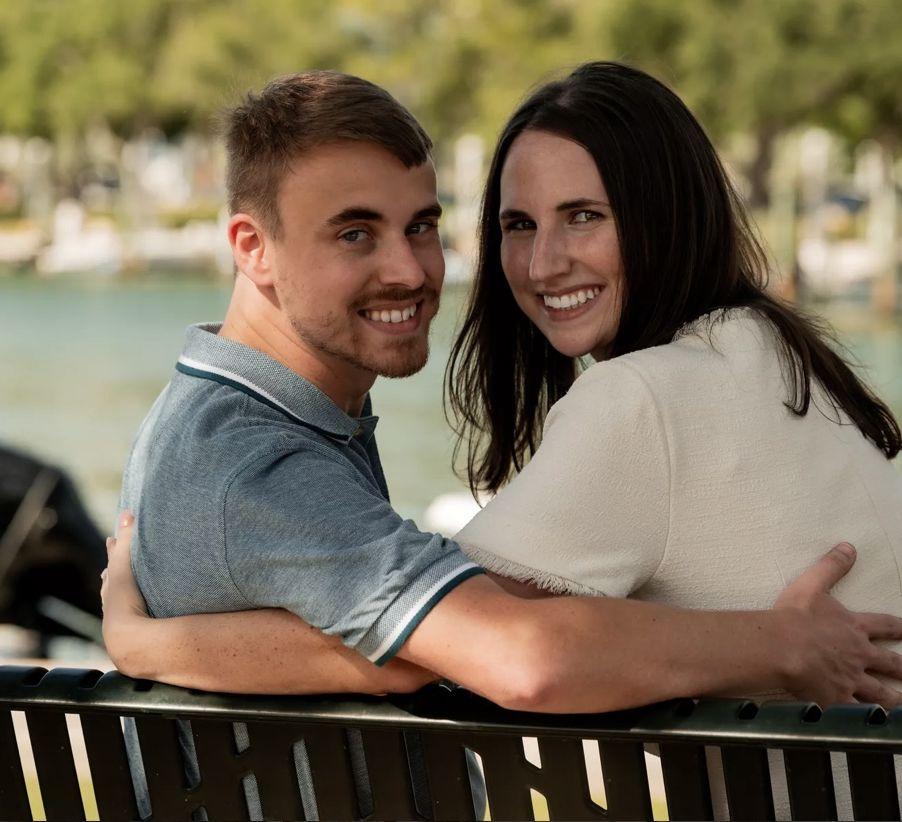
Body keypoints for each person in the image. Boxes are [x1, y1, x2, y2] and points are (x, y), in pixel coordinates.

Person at [104, 69, 902, 710]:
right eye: (519, 225)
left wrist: (146, 645)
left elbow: (480, 645)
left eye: (422, 227)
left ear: (665, 215)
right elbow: (491, 648)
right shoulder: (781, 358)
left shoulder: (647, 396)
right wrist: (776, 642)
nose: (411, 271)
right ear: (253, 248)